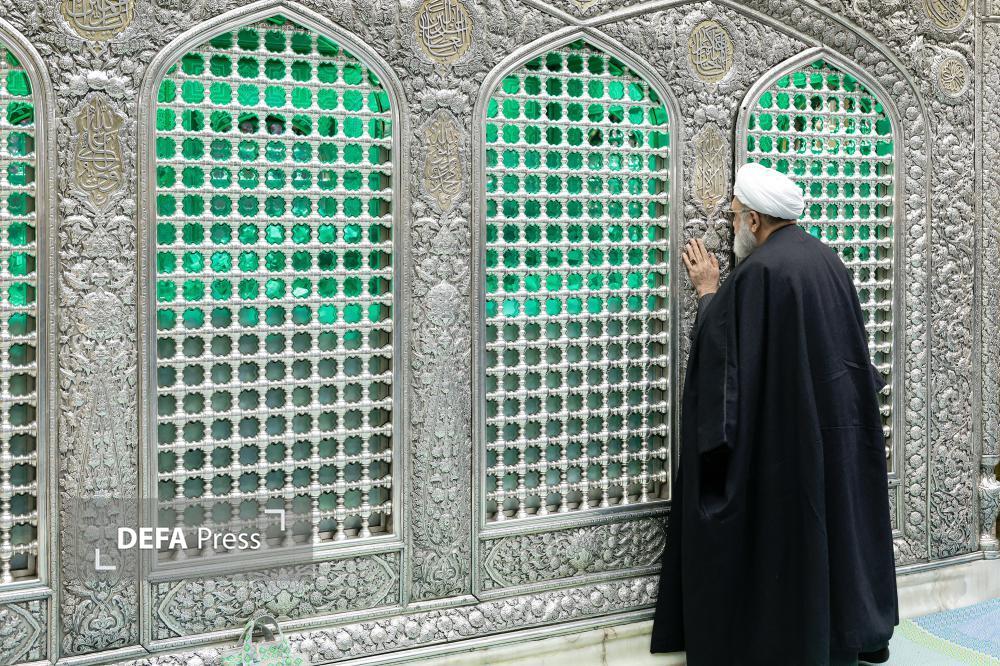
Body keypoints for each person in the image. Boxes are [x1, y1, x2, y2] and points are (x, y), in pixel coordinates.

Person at [649, 163, 898, 665]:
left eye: (735, 216)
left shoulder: (760, 272)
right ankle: (844, 635)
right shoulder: (827, 259)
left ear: (755, 221)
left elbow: (723, 360)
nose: (731, 227)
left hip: (787, 443)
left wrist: (707, 292)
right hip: (834, 435)